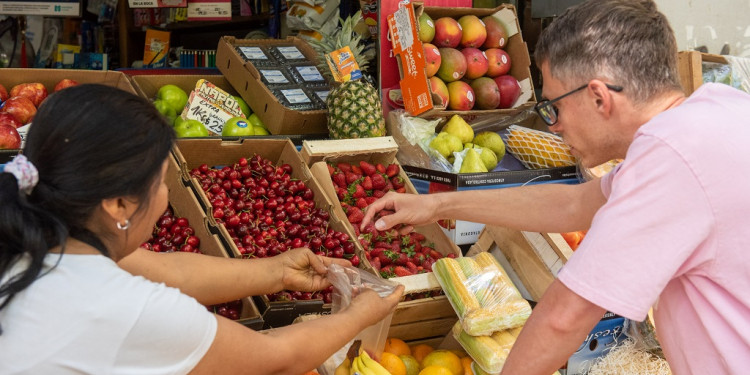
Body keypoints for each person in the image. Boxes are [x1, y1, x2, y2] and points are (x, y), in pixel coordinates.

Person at [362, 0, 750, 374]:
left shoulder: (671, 158)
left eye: (554, 107)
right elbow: (573, 205)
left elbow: (565, 317)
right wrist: (435, 208)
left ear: (599, 97)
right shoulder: (719, 112)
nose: (553, 126)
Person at [0, 84, 403, 374]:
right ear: (117, 204)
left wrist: (276, 272)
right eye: (160, 183)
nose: (164, 198)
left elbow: (165, 269)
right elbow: (276, 357)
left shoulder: (36, 235)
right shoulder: (127, 308)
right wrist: (358, 316)